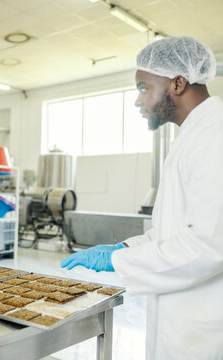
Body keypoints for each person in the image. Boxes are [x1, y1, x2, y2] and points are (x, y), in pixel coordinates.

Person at [61, 36, 223, 359]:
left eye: (143, 88)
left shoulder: (213, 135)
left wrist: (119, 262)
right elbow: (177, 233)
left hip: (203, 332)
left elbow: (208, 244)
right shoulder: (191, 135)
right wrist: (123, 248)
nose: (137, 102)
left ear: (178, 83)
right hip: (181, 323)